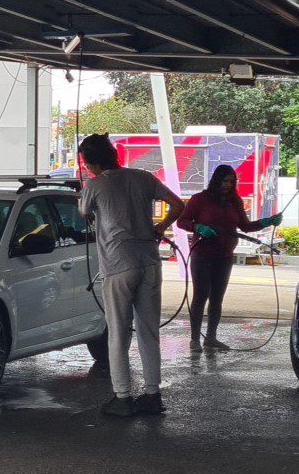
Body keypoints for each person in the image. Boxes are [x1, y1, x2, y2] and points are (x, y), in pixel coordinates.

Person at [75, 134, 183, 417]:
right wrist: (160, 229)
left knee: (118, 334)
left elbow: (83, 213)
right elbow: (178, 204)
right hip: (149, 262)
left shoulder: (94, 185)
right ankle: (152, 395)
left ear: (91, 162)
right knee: (149, 332)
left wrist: (85, 200)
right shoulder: (143, 177)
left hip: (118, 265)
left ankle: (122, 397)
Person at [176, 164, 282, 352]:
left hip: (224, 256)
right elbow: (182, 221)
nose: (227, 185)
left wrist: (267, 221)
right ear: (216, 180)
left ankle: (211, 337)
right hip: (202, 255)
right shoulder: (199, 199)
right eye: (225, 181)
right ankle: (194, 339)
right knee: (200, 296)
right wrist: (198, 227)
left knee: (217, 298)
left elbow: (246, 227)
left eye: (231, 182)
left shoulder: (234, 201)